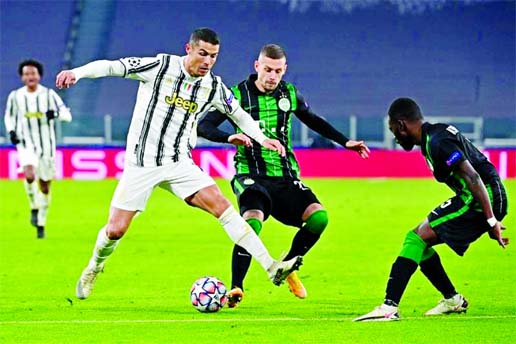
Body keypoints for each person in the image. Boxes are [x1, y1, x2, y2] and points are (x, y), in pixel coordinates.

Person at [55, 28, 303, 300]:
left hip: (178, 162)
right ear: (189, 48)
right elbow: (113, 66)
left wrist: (262, 138)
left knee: (222, 206)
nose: (208, 61)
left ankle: (271, 267)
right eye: (203, 54)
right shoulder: (160, 66)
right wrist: (76, 73)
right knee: (116, 229)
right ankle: (94, 267)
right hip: (142, 163)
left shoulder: (213, 87)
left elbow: (240, 115)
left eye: (214, 56)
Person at [197, 44, 370, 307]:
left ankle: (288, 265)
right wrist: (229, 136)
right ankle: (236, 288)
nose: (272, 76)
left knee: (319, 218)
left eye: (277, 71)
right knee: (251, 222)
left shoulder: (289, 93)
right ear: (257, 66)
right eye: (267, 69)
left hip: (286, 176)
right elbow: (205, 125)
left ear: (284, 70)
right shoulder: (235, 95)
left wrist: (344, 142)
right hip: (251, 174)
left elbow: (313, 120)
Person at [354, 98, 508, 321]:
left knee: (414, 239)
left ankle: (389, 307)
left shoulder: (438, 142)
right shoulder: (432, 137)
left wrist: (491, 221)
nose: (395, 138)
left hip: (483, 197)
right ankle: (453, 300)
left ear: (402, 125)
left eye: (394, 130)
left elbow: (473, 176)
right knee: (419, 240)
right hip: (478, 196)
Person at [4, 59, 72, 239]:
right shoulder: (15, 96)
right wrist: (11, 131)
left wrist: (55, 114)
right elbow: (9, 117)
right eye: (26, 74)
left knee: (45, 186)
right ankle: (34, 205)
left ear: (39, 75)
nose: (30, 76)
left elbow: (67, 115)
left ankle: (41, 222)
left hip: (46, 147)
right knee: (29, 174)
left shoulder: (49, 95)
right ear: (22, 77)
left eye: (33, 73)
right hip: (25, 143)